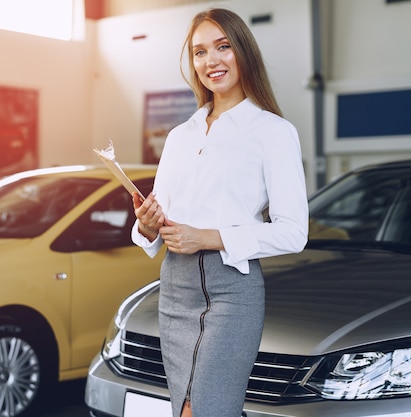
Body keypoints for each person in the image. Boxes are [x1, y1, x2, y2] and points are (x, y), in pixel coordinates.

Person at [131, 8, 309, 417]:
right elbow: (158, 225)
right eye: (199, 52)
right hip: (174, 289)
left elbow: (293, 232)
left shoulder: (274, 132)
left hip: (232, 291)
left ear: (242, 52)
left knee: (206, 409)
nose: (211, 61)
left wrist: (209, 237)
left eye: (222, 47)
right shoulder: (179, 136)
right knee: (185, 408)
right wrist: (147, 224)